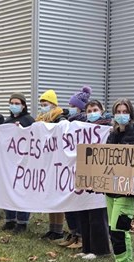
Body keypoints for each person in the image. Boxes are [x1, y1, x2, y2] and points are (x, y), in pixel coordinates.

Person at [101, 98, 134, 262]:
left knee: (120, 228)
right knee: (113, 228)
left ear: (130, 114)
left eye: (124, 111)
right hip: (111, 190)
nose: (121, 115)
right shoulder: (111, 136)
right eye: (118, 112)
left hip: (126, 191)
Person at [75, 100, 112, 260]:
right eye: (89, 110)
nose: (92, 113)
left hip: (100, 174)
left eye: (95, 110)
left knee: (97, 214)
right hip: (85, 173)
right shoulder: (80, 128)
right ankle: (87, 247)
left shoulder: (107, 129)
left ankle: (100, 249)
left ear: (102, 111)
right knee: (83, 212)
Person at [57, 86, 91, 248]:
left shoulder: (86, 124)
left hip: (80, 167)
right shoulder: (67, 122)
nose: (69, 108)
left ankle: (81, 236)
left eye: (73, 106)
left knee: (78, 203)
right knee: (68, 202)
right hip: (67, 168)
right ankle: (73, 232)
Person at [1, 93, 35, 233]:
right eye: (12, 103)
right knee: (8, 189)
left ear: (23, 105)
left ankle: (22, 222)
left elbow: (34, 136)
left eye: (17, 103)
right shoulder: (7, 121)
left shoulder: (28, 120)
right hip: (9, 162)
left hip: (24, 162)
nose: (14, 106)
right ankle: (10, 219)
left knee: (21, 191)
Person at [36, 89, 66, 240]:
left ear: (53, 104)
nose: (43, 107)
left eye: (45, 104)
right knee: (49, 196)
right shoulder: (40, 119)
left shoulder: (60, 118)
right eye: (41, 104)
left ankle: (59, 230)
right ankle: (52, 228)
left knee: (57, 197)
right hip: (46, 162)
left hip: (57, 162)